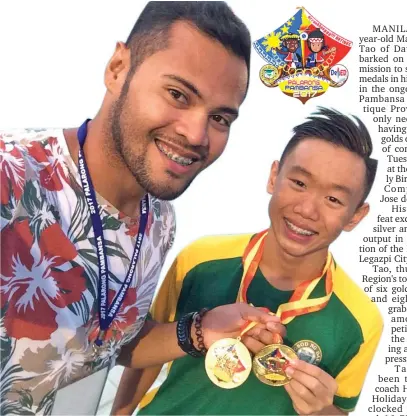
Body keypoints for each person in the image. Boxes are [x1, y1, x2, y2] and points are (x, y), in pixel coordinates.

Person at [0, 2, 282, 415]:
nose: (196, 134)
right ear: (117, 68)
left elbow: (109, 341)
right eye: (178, 94)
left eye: (220, 118)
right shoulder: (12, 182)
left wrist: (200, 330)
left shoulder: (159, 222)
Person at [112, 107, 384, 415]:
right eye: (299, 183)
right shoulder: (200, 261)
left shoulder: (361, 321)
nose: (307, 210)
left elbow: (340, 410)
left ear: (356, 216)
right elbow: (143, 352)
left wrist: (320, 410)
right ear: (273, 177)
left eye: (333, 200)